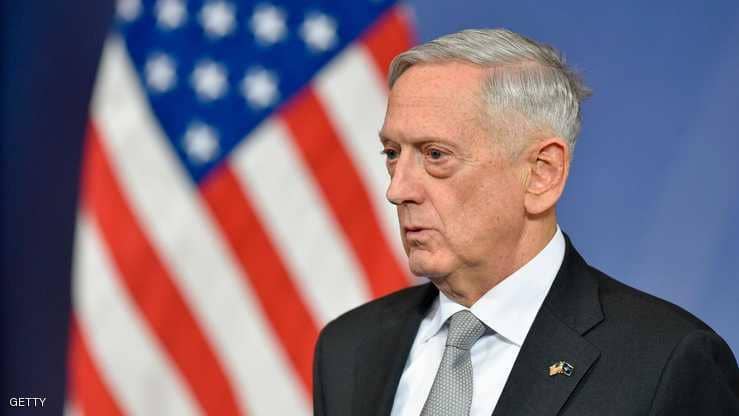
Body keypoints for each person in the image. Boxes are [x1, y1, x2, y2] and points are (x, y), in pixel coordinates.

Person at [312, 28, 739, 416]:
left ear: (541, 173)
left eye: (435, 155)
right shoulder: (348, 348)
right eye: (392, 154)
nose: (397, 189)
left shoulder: (666, 361)